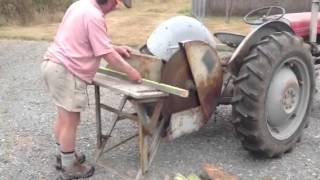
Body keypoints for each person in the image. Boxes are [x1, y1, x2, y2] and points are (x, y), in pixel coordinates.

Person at [40, 0, 141, 179]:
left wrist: (115, 47)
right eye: (116, 2)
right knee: (71, 120)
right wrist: (132, 72)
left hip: (53, 65)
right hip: (66, 71)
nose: (116, 6)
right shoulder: (94, 16)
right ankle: (69, 167)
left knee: (64, 117)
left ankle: (63, 155)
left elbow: (89, 40)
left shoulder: (81, 4)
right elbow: (107, 55)